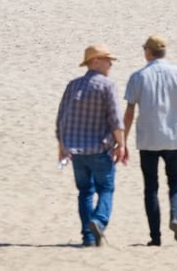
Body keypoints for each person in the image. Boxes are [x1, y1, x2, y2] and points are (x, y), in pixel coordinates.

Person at [123, 34, 177, 246]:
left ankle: (155, 237)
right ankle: (175, 217)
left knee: (151, 187)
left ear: (148, 51)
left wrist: (123, 141)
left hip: (148, 139)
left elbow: (129, 112)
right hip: (174, 137)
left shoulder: (138, 76)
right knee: (175, 182)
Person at [56, 44, 127, 247]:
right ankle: (98, 221)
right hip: (99, 149)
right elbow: (115, 120)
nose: (111, 63)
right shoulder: (107, 85)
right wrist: (121, 145)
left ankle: (88, 236)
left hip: (76, 150)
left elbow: (61, 118)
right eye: (107, 59)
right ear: (95, 62)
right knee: (106, 188)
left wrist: (61, 146)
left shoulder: (73, 85)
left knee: (85, 192)